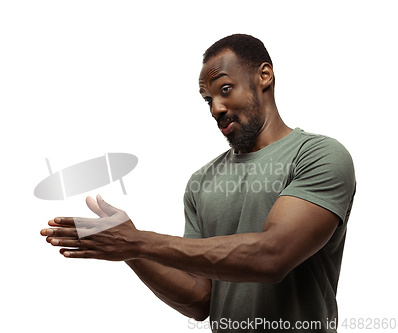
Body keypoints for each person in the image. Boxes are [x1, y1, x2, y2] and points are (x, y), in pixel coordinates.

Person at [40, 34, 356, 332]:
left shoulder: (318, 155)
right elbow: (200, 300)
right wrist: (131, 250)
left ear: (264, 76)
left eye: (225, 89)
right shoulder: (202, 182)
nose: (216, 108)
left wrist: (139, 242)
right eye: (207, 99)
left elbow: (272, 257)